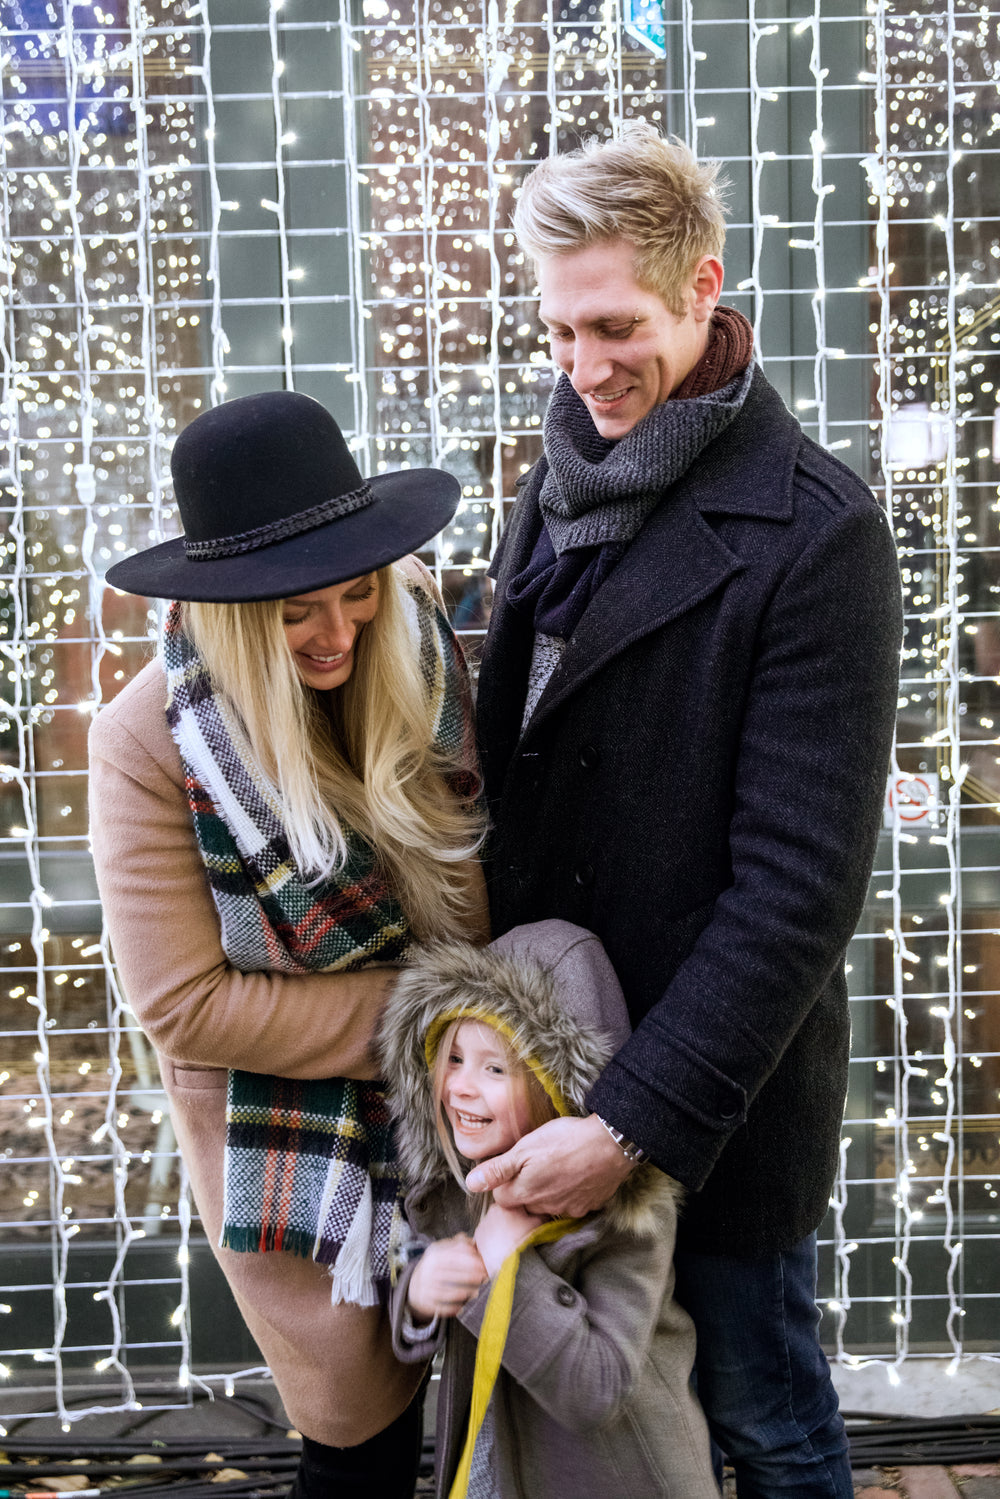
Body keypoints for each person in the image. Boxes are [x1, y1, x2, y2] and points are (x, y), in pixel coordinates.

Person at [470, 125, 903, 1495]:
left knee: (764, 1425)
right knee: (612, 1437)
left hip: (705, 1099)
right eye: (558, 331)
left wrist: (634, 1121)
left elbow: (799, 891)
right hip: (551, 1070)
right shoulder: (557, 478)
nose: (586, 369)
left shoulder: (823, 530)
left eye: (616, 327)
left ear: (703, 287)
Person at [88, 390, 489, 1499]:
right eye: (295, 611)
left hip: (473, 1105)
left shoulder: (410, 637)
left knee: (500, 1401)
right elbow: (185, 1004)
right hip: (296, 1136)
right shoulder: (144, 745)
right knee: (354, 1446)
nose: (338, 631)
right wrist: (437, 1020)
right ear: (229, 611)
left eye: (354, 590)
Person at [379, 919, 718, 1499]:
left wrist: (496, 1265)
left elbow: (597, 1393)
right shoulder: (456, 1190)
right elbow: (417, 1336)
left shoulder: (624, 1215)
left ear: (558, 1087)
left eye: (494, 1068)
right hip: (497, 1474)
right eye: (453, 1057)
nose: (460, 1086)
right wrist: (419, 1293)